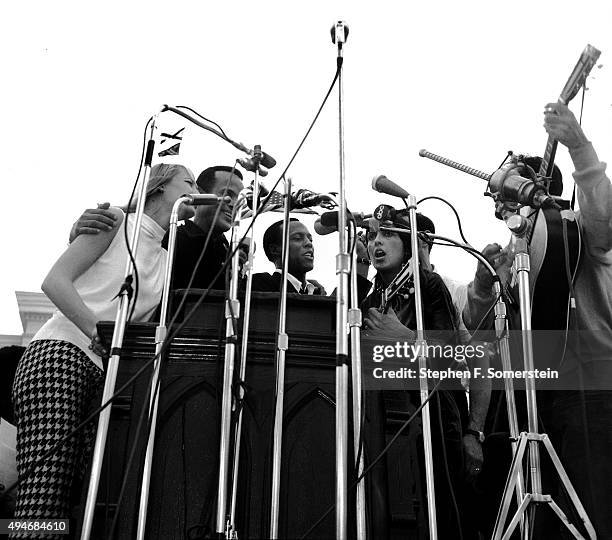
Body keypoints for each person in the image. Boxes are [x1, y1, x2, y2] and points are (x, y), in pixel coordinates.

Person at [10, 164, 197, 528]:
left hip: (107, 374)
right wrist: (98, 332)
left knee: (83, 495)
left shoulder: (165, 258)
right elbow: (55, 281)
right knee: (45, 488)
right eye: (188, 182)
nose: (195, 189)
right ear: (159, 187)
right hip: (60, 354)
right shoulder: (114, 222)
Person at [361, 211, 483, 540]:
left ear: (409, 245)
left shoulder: (428, 284)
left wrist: (403, 337)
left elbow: (448, 352)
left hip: (437, 414)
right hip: (388, 417)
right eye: (373, 237)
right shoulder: (371, 300)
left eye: (388, 235)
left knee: (443, 508)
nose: (377, 242)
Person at [69, 165, 245, 292]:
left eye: (240, 199)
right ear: (200, 193)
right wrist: (76, 233)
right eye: (227, 194)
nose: (233, 204)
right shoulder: (167, 238)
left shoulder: (230, 253)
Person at [251, 218, 327, 294]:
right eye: (297, 238)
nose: (309, 243)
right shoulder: (256, 285)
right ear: (274, 249)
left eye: (310, 239)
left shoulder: (317, 292)